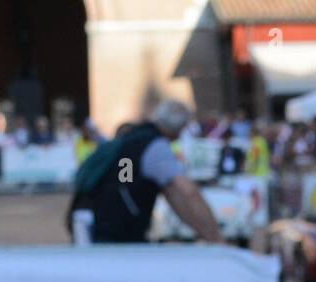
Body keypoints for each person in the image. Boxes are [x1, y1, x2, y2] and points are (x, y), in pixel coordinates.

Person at [68, 99, 222, 244]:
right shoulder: (154, 146)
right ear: (178, 128)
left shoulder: (132, 140)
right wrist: (215, 238)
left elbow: (124, 182)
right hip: (116, 232)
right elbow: (188, 192)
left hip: (97, 222)